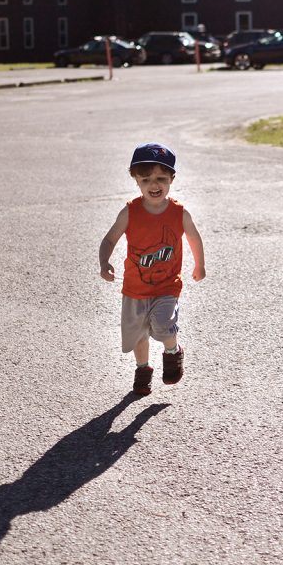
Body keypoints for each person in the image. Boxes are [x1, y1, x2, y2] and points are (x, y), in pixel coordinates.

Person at [99, 143, 206, 395]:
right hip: (135, 289)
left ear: (171, 179)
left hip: (167, 286)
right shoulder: (130, 212)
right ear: (136, 179)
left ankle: (172, 352)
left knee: (163, 324)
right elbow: (110, 239)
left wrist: (200, 264)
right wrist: (104, 261)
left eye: (161, 178)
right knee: (138, 335)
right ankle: (143, 369)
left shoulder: (179, 213)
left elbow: (194, 238)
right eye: (146, 179)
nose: (154, 185)